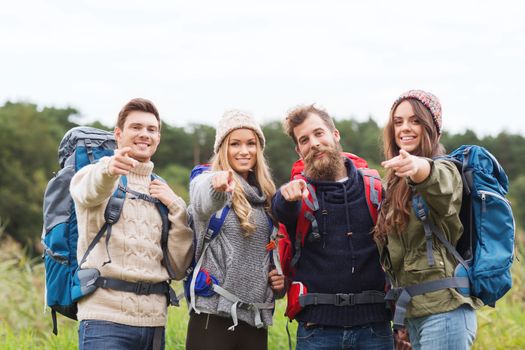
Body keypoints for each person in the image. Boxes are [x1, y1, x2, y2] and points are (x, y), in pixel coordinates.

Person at [70, 98, 194, 350]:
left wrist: (177, 209)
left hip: (154, 323)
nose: (144, 134)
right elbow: (88, 192)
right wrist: (108, 170)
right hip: (104, 319)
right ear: (118, 134)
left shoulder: (162, 190)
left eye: (151, 129)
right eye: (136, 127)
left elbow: (178, 268)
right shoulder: (95, 173)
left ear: (158, 137)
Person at [272, 105, 393, 350]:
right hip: (317, 331)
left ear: (335, 134)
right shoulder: (298, 194)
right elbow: (281, 209)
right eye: (304, 140)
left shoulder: (374, 189)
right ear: (299, 150)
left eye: (319, 133)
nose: (314, 143)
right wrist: (286, 196)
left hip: (375, 329)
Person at [374, 90, 481, 350]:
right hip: (414, 315)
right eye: (398, 122)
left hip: (445, 312)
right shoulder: (395, 184)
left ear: (432, 128)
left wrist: (419, 168)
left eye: (415, 121)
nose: (405, 128)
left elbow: (438, 182)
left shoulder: (446, 169)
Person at [185, 109, 285, 350]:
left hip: (254, 319)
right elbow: (201, 200)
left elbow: (266, 253)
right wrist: (215, 186)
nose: (244, 151)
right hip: (212, 317)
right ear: (223, 148)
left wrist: (278, 280)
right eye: (235, 144)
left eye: (251, 143)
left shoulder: (266, 197)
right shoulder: (206, 180)